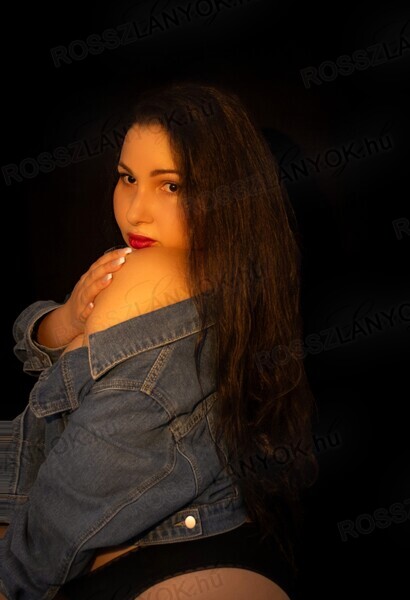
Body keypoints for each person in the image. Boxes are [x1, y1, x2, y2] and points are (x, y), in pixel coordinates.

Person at [0, 81, 318, 600]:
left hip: (164, 562)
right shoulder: (233, 284)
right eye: (128, 178)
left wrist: (10, 580)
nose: (135, 212)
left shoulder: (151, 281)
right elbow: (32, 346)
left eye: (171, 185)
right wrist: (67, 317)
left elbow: (74, 492)